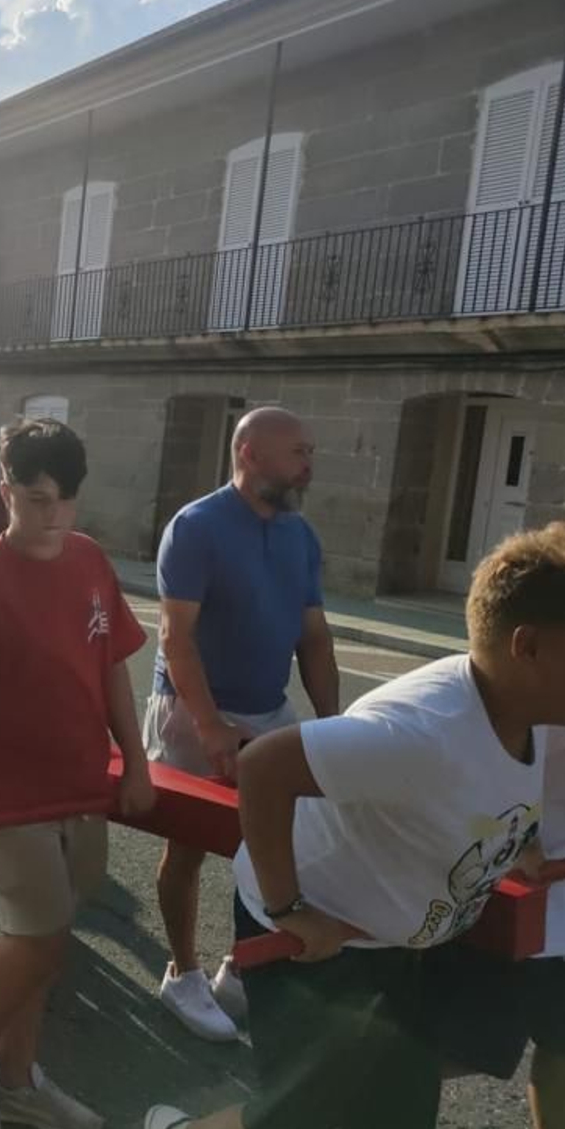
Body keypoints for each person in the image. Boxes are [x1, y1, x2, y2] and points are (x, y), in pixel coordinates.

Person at [143, 522, 565, 1129]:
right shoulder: (423, 732)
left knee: (380, 1118)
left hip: (387, 938)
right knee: (315, 1105)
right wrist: (287, 907)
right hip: (316, 937)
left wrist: (520, 837)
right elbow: (265, 767)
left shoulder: (533, 713)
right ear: (528, 648)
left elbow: (496, 785)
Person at [0, 419, 156, 1129]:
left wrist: (136, 760)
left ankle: (20, 1080)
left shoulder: (87, 561)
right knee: (37, 935)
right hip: (11, 797)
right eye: (38, 499)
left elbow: (112, 662)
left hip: (79, 785)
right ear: (7, 485)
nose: (55, 518)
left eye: (66, 501)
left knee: (49, 945)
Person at [144, 406, 338, 1041]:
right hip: (194, 709)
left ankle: (240, 971)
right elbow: (177, 637)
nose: (307, 465)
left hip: (268, 709)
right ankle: (182, 972)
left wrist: (335, 727)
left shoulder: (299, 537)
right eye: (297, 453)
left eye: (309, 453)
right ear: (250, 453)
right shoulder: (196, 527)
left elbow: (313, 637)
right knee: (192, 845)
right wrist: (210, 727)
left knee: (283, 846)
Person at [418, 713, 565, 1129]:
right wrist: (516, 829)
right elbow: (494, 727)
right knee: (456, 1045)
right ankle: (323, 1120)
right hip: (514, 884)